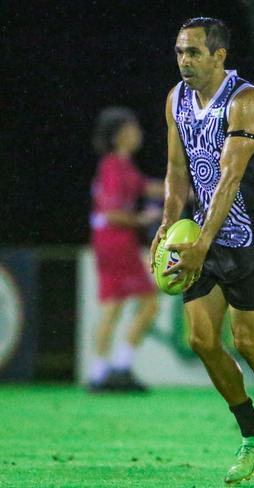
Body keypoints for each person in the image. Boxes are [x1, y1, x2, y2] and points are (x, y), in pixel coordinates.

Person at [150, 17, 254, 487]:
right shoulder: (176, 100)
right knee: (200, 340)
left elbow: (229, 178)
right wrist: (167, 222)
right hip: (203, 235)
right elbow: (177, 169)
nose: (184, 61)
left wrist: (201, 244)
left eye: (194, 52)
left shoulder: (245, 101)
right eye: (180, 51)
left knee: (248, 342)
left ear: (219, 55)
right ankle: (252, 434)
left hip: (251, 236)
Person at [88, 106, 163, 392]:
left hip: (108, 242)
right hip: (117, 242)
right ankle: (120, 366)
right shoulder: (113, 165)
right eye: (133, 128)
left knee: (112, 307)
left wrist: (184, 190)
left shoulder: (121, 165)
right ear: (120, 134)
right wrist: (142, 219)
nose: (138, 134)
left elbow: (146, 187)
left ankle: (99, 373)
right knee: (149, 303)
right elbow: (111, 212)